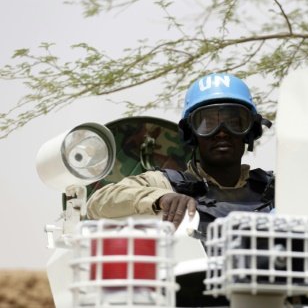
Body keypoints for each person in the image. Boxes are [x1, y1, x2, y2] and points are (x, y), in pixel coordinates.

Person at [86, 73, 274, 235]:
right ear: (191, 134)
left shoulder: (275, 189)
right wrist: (160, 198)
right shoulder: (168, 184)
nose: (222, 132)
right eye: (207, 124)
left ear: (251, 131)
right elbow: (97, 202)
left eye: (234, 122)